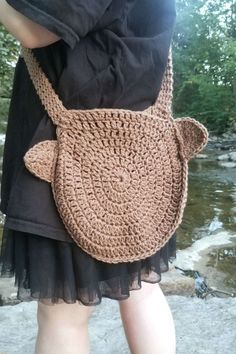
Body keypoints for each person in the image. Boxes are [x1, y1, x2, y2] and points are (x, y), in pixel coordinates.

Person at [0, 1, 177, 353]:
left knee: (64, 313)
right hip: (140, 152)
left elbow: (36, 31)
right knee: (143, 288)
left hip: (67, 150)